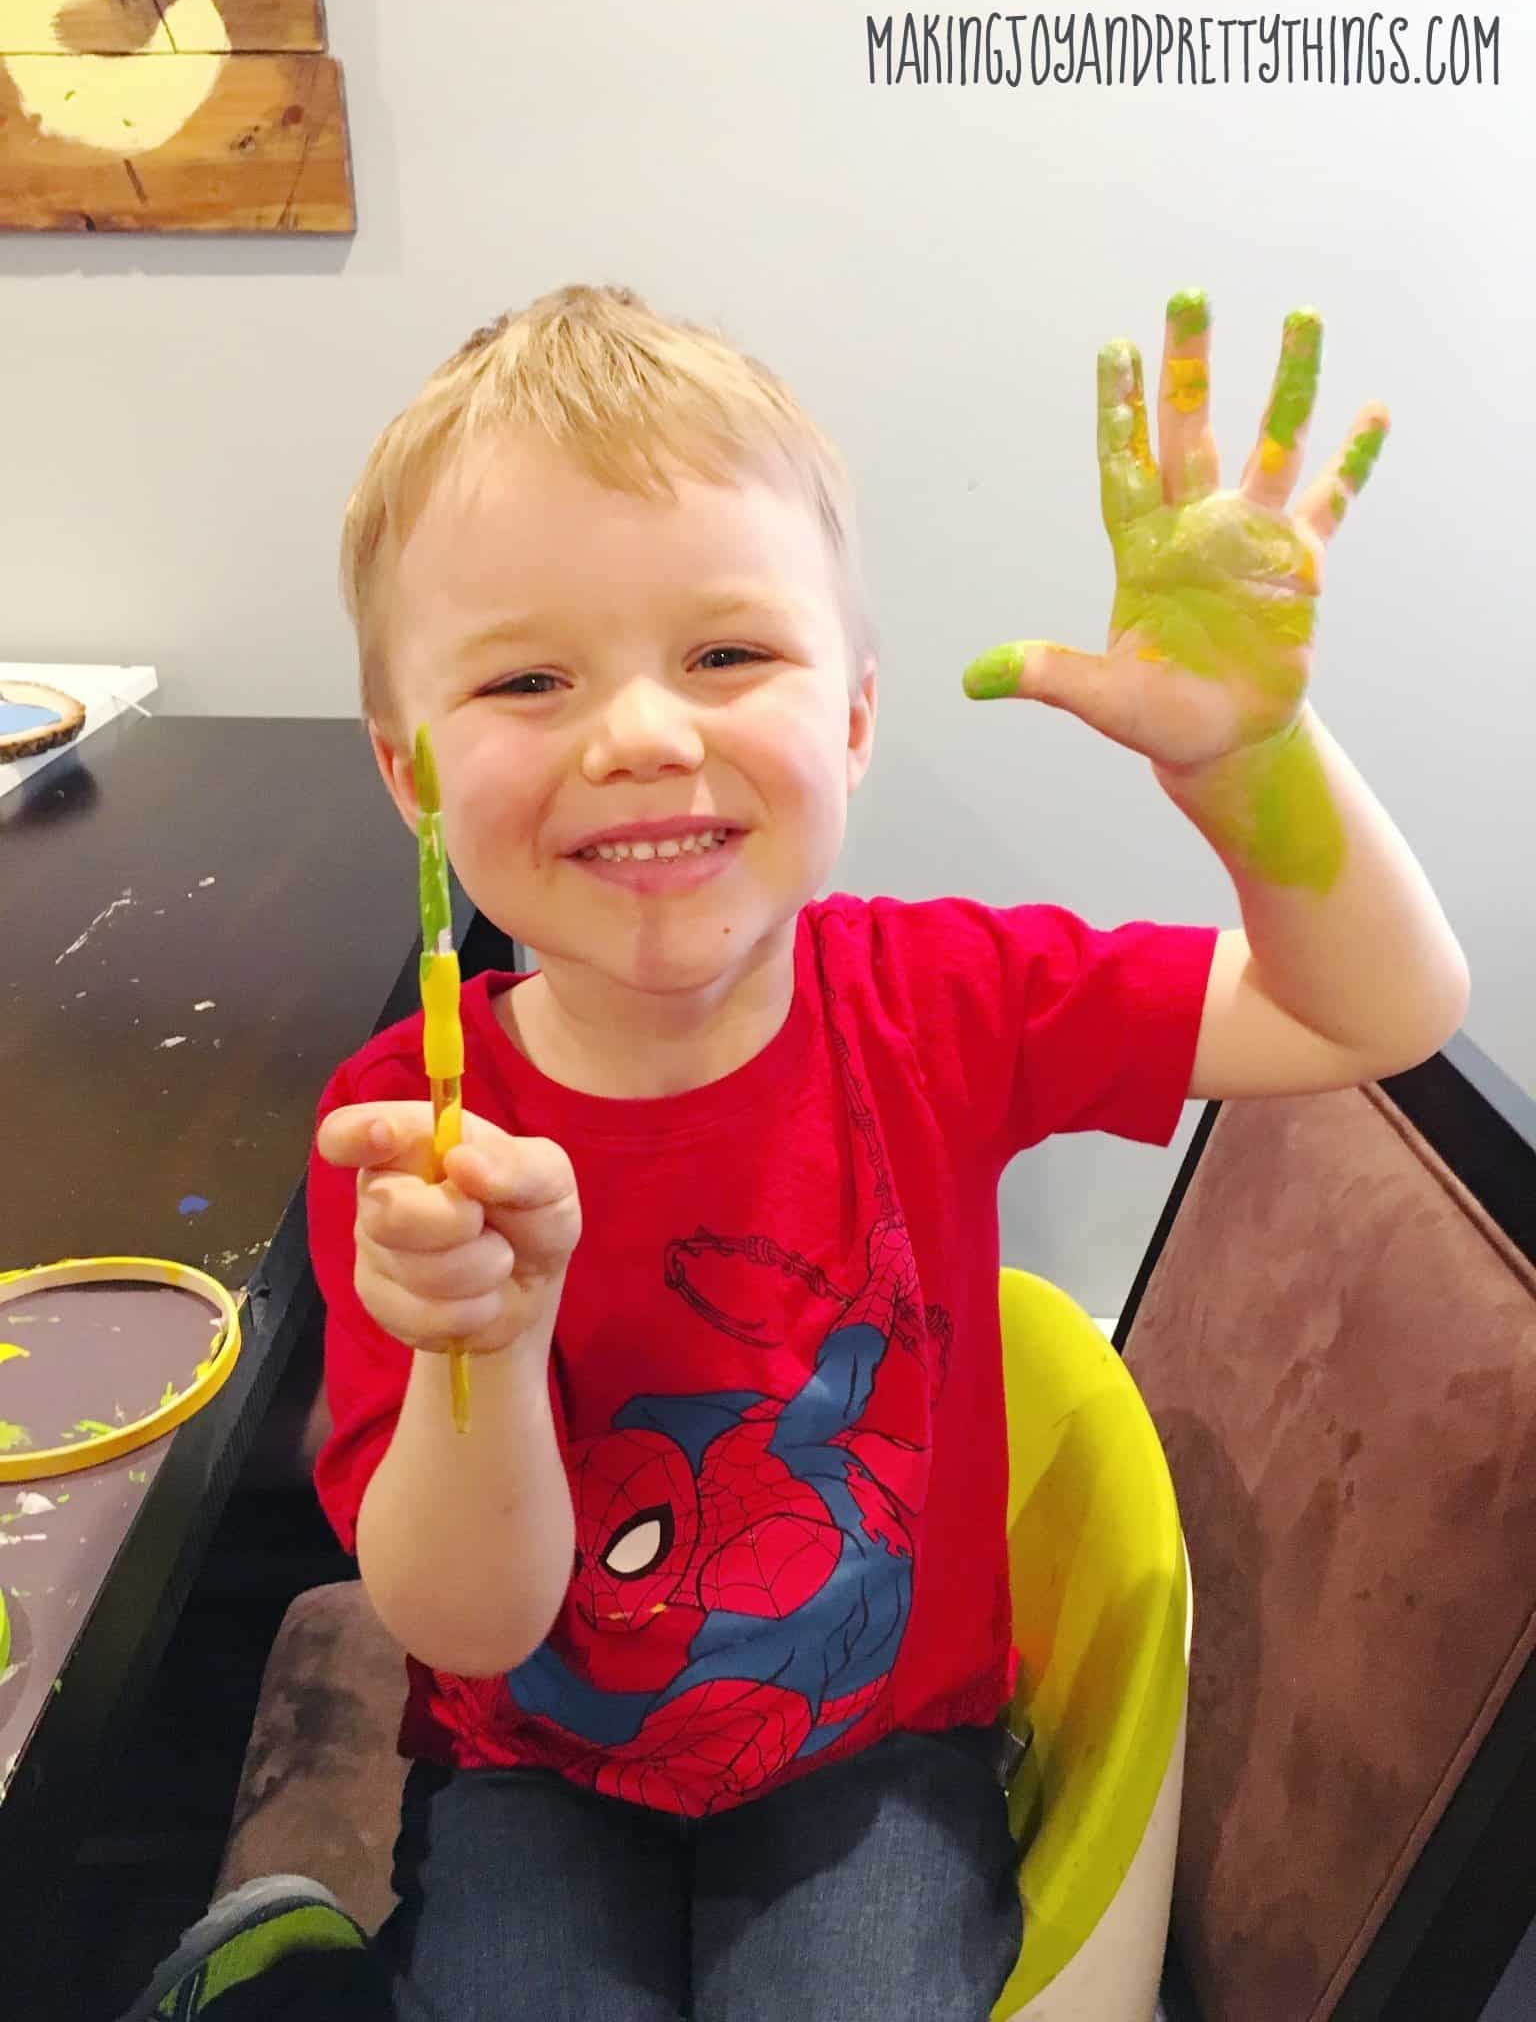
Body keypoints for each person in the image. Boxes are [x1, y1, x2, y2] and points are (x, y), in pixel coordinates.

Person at [116, 282, 1468, 2021]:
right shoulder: (413, 1135)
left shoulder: (948, 1001)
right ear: (412, 773)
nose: (643, 734)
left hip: (880, 1751)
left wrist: (1256, 763)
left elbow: (1378, 1012)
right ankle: (298, 1959)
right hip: (535, 1764)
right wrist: (487, 1342)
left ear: (850, 719)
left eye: (728, 654)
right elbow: (463, 1623)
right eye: (530, 676)